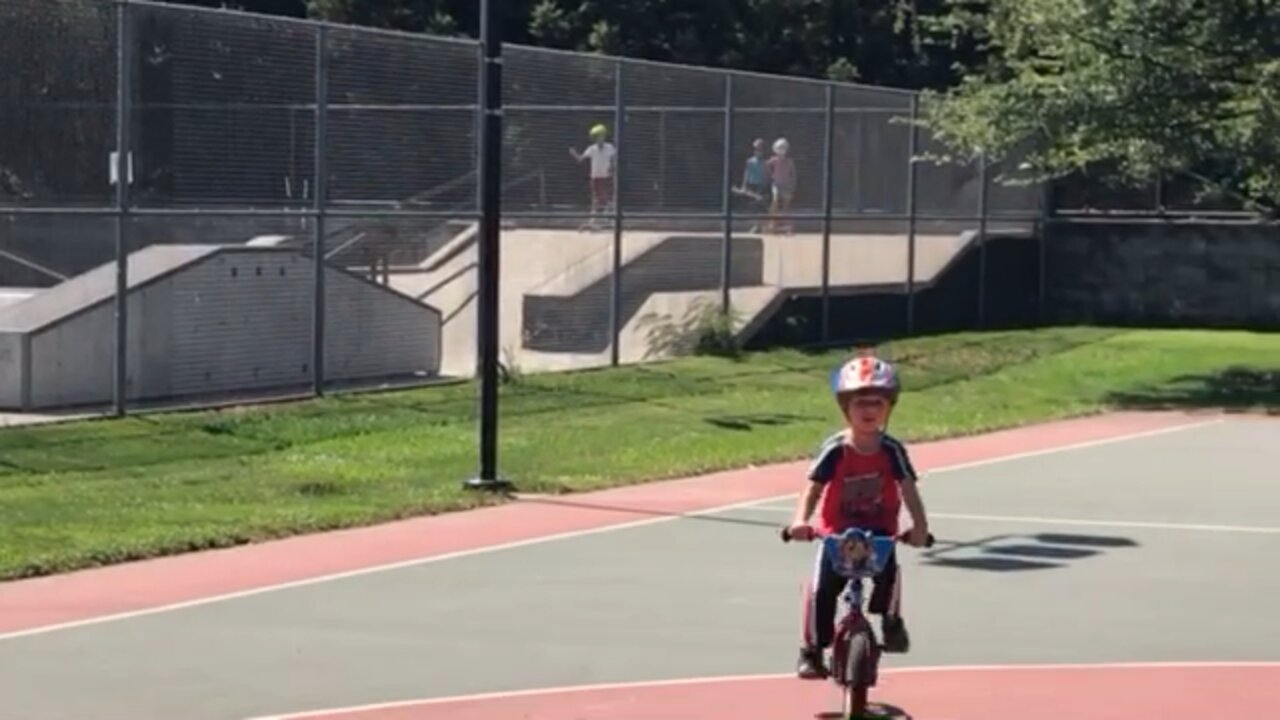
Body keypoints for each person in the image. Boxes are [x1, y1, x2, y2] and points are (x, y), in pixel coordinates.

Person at [785, 350, 931, 680]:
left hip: (879, 530)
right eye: (860, 403)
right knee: (822, 589)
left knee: (888, 575)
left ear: (888, 408)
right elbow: (813, 488)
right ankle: (811, 650)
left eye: (877, 403)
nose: (868, 411)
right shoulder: (836, 449)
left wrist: (919, 527)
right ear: (845, 408)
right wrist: (800, 521)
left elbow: (908, 488)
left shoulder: (892, 450)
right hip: (837, 532)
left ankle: (890, 621)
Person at [569, 124, 617, 230]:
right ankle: (594, 221)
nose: (600, 138)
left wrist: (612, 169)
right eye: (598, 136)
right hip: (595, 177)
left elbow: (614, 160)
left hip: (607, 177)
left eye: (602, 136)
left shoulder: (610, 147)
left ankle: (608, 220)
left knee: (608, 198)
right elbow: (581, 159)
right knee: (596, 199)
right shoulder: (591, 149)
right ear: (594, 138)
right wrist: (574, 154)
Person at [765, 137, 796, 234]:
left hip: (786, 185)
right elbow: (766, 166)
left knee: (786, 205)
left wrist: (792, 184)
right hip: (776, 184)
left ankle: (787, 226)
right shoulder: (773, 160)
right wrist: (771, 175)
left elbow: (793, 173)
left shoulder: (789, 161)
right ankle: (772, 223)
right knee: (775, 201)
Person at [739, 138, 770, 231]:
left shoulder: (766, 163)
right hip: (752, 185)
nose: (758, 151)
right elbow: (747, 173)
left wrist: (767, 185)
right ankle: (756, 226)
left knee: (761, 207)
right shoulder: (750, 161)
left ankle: (760, 226)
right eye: (757, 149)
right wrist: (744, 185)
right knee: (754, 207)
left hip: (762, 186)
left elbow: (767, 174)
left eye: (760, 149)